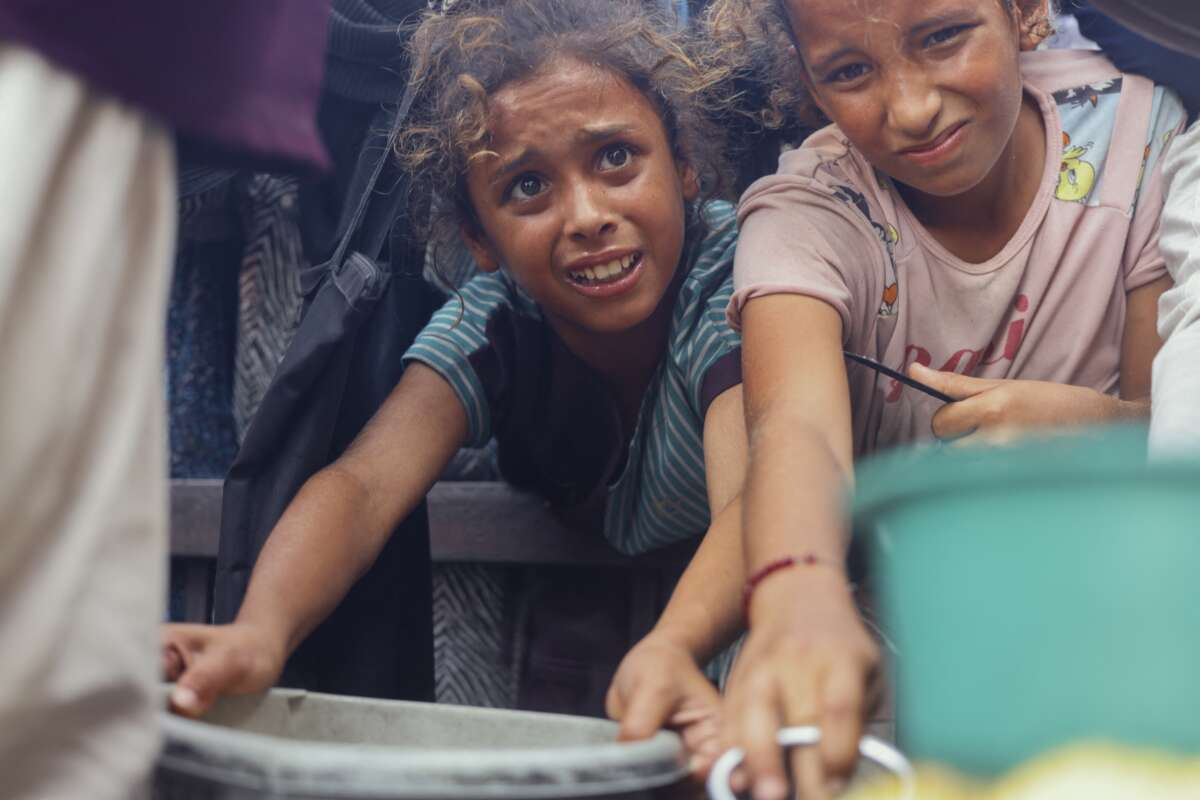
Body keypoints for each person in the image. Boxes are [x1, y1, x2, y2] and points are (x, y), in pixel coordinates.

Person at [163, 0, 752, 777]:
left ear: (684, 169)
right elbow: (364, 484)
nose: (587, 216)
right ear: (479, 239)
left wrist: (674, 646)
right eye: (528, 187)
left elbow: (758, 497)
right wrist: (259, 634)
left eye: (616, 158)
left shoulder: (735, 279)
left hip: (756, 573)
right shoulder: (497, 318)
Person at [703, 0, 1185, 796]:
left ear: (1026, 12)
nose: (912, 108)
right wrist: (798, 591)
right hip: (881, 653)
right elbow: (797, 428)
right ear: (809, 85)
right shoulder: (809, 214)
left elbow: (1164, 427)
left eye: (943, 38)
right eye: (851, 72)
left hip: (1106, 647)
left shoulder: (1136, 140)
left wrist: (1096, 431)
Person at [0, 3, 328, 798]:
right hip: (72, 47)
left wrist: (261, 630)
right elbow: (365, 482)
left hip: (119, 62)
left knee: (58, 696)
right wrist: (263, 628)